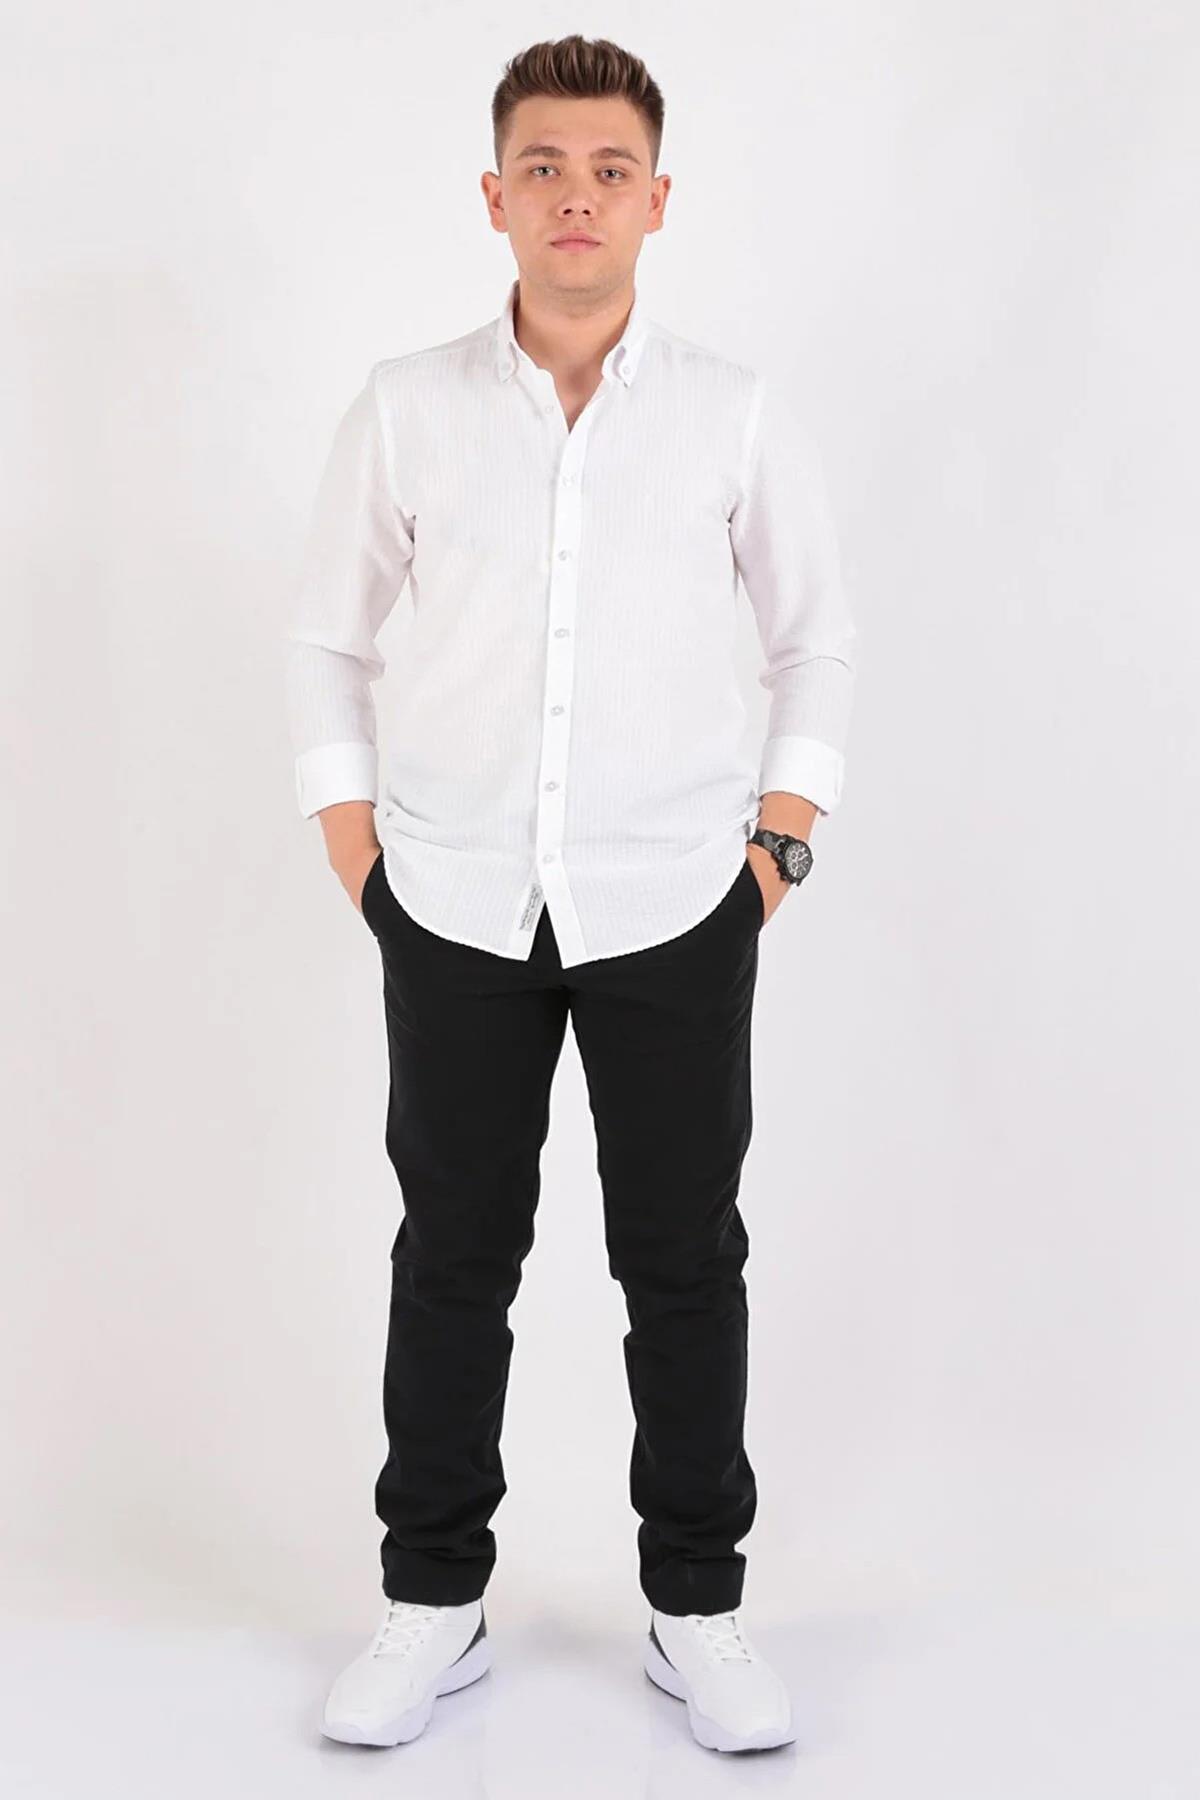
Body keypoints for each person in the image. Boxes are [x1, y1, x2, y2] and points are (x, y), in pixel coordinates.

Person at [284, 32, 857, 1756]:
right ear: (495, 196)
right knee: (454, 1257)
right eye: (544, 167)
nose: (577, 198)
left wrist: (774, 853)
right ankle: (431, 1601)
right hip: (450, 903)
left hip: (679, 905)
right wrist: (359, 853)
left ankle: (699, 1608)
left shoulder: (732, 411)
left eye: (610, 170)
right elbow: (325, 641)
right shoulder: (406, 406)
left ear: (657, 199)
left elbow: (816, 639)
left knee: (682, 1260)